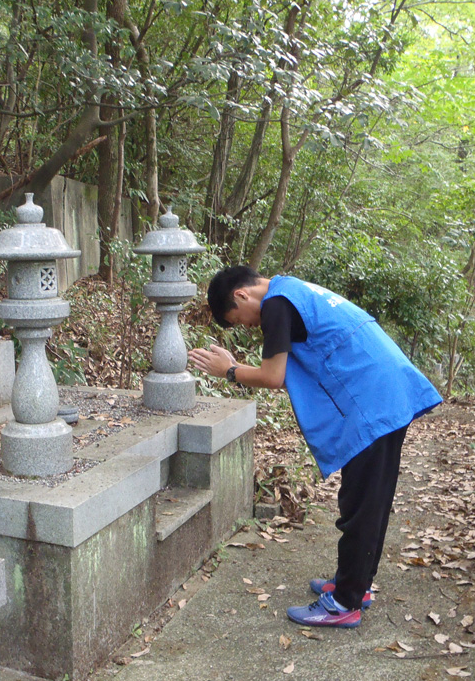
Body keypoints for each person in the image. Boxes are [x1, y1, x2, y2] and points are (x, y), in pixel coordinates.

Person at [188, 266, 442, 628]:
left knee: (362, 504)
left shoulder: (277, 304)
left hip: (373, 400)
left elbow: (273, 375)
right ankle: (354, 585)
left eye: (240, 320)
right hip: (383, 390)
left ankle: (344, 603)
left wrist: (229, 370)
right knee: (370, 499)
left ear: (241, 296)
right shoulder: (292, 288)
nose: (248, 326)